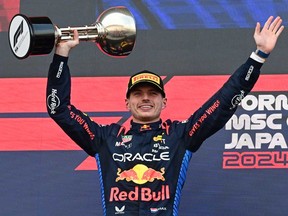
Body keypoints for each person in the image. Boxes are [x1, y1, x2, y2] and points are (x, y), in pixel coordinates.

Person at [46, 16, 284, 215]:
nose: (146, 98)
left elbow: (221, 105)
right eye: (138, 94)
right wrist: (61, 54)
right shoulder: (106, 138)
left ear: (164, 101)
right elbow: (59, 109)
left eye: (153, 93)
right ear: (127, 103)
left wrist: (259, 56)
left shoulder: (180, 136)